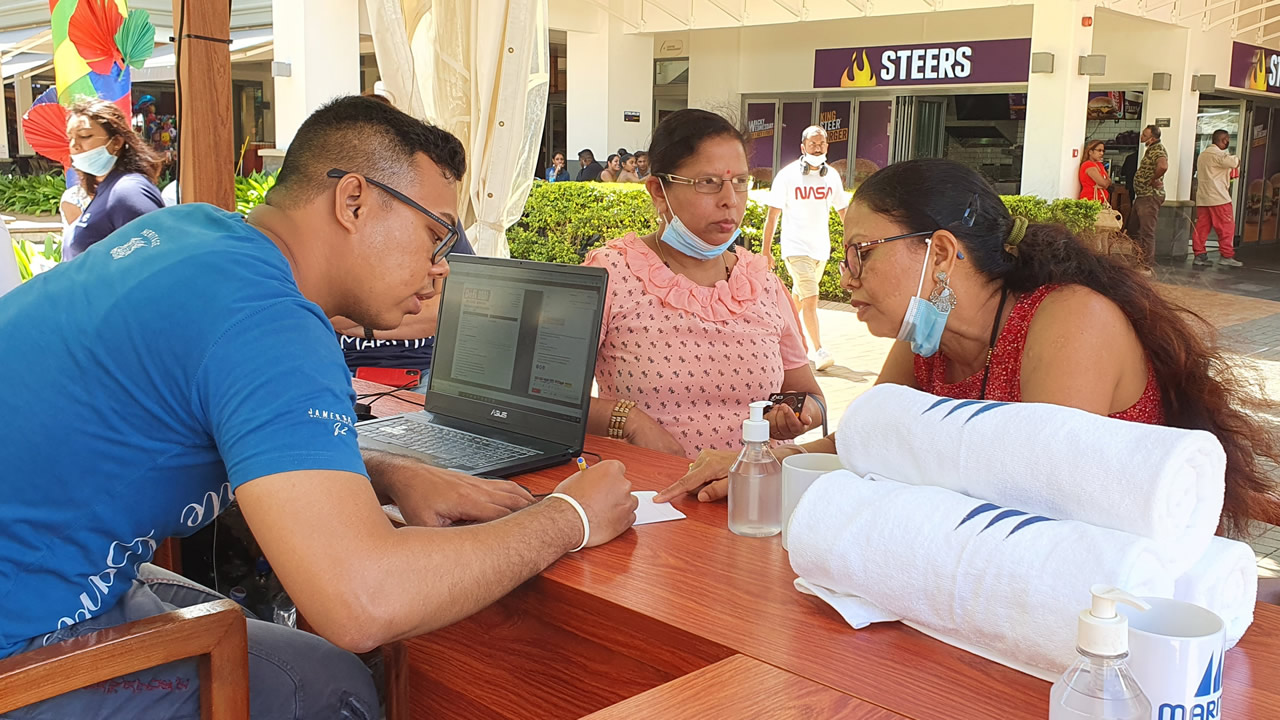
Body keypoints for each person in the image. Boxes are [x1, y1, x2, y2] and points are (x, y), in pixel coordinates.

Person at [0, 96, 638, 719]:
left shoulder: (190, 230)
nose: (442, 268)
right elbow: (361, 599)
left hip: (42, 580)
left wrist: (383, 469)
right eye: (435, 234)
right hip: (25, 643)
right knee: (331, 685)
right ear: (353, 201)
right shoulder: (269, 319)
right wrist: (570, 516)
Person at [657, 158, 1280, 548]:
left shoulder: (1070, 320)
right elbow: (867, 442)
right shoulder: (925, 335)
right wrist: (759, 461)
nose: (846, 276)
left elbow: (1035, 498)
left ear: (943, 253)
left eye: (862, 252)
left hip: (1107, 598)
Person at [582, 109, 825, 459]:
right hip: (650, 500)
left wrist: (797, 414)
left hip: (754, 493)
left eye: (740, 181)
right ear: (658, 191)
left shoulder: (762, 282)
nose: (731, 200)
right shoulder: (612, 272)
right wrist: (629, 420)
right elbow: (546, 398)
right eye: (708, 183)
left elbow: (809, 394)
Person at [333, 226, 475, 392]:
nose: (441, 268)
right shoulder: (334, 222)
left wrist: (363, 322)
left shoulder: (441, 217)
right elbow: (327, 310)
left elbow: (448, 311)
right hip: (342, 368)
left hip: (426, 372)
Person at [762, 125, 850, 372]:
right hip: (795, 247)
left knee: (797, 300)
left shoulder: (831, 175)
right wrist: (765, 251)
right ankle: (818, 350)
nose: (818, 147)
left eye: (822, 143)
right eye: (813, 144)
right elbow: (772, 216)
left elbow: (843, 211)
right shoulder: (788, 175)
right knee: (811, 299)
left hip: (820, 250)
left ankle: (774, 337)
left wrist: (854, 240)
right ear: (803, 147)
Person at [63, 98, 165, 260]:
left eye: (85, 136)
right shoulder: (105, 189)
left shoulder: (128, 191)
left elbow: (153, 259)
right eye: (70, 138)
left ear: (116, 141)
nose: (74, 145)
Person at [1193, 129, 1243, 268]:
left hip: (1203, 197)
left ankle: (1199, 254)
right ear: (1223, 139)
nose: (1228, 141)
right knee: (1226, 227)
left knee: (1202, 227)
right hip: (1219, 197)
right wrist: (1236, 158)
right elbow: (1234, 162)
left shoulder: (1203, 155)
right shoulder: (1218, 155)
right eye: (1227, 139)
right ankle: (1226, 255)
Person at [1132, 125, 1169, 267]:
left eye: (1144, 135)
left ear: (1152, 138)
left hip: (1149, 196)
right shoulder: (1151, 150)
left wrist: (1154, 179)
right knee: (1134, 228)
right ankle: (1137, 258)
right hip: (1142, 195)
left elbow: (1163, 166)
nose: (1141, 137)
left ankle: (1145, 264)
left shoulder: (1158, 150)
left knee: (1146, 231)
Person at [1078, 139, 1111, 204]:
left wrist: (1106, 182)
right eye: (1099, 150)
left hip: (1101, 201)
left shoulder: (1100, 165)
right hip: (1090, 201)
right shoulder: (1088, 165)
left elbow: (1108, 181)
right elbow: (1104, 183)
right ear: (1090, 152)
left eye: (1103, 151)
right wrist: (1106, 182)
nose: (1102, 153)